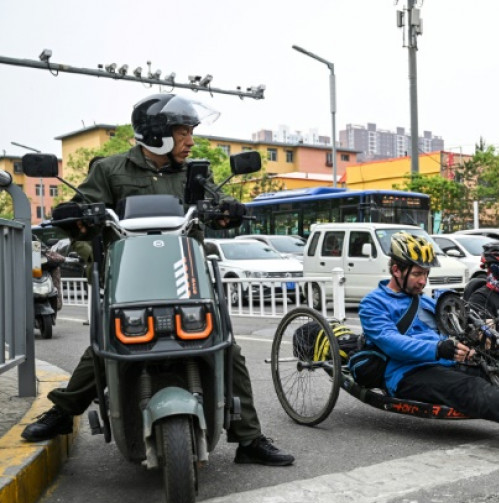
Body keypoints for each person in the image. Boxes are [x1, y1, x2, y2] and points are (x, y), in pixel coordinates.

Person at [21, 94, 294, 466]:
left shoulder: (194, 174)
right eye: (183, 132)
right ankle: (63, 413)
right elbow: (80, 214)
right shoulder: (111, 169)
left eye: (190, 132)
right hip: (130, 276)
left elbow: (217, 206)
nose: (190, 141)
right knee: (108, 343)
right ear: (157, 134)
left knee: (225, 346)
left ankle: (249, 438)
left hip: (185, 275)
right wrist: (75, 220)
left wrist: (230, 210)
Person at [358, 232, 499, 433]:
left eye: (426, 273)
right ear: (396, 270)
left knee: (498, 372)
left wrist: (472, 338)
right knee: (470, 388)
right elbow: (392, 342)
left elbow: (453, 326)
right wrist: (439, 349)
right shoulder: (373, 304)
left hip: (444, 361)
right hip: (407, 372)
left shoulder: (426, 300)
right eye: (417, 274)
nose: (423, 281)